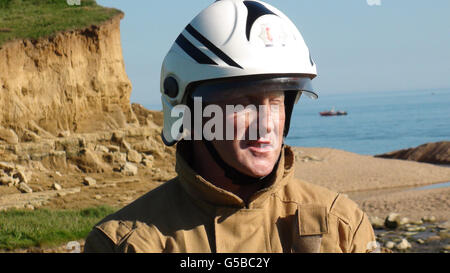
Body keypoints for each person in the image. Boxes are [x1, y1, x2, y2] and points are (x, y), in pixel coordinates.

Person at [84, 0, 378, 253]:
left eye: (276, 103)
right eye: (244, 103)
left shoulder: (341, 226)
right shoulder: (127, 243)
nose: (266, 124)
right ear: (192, 110)